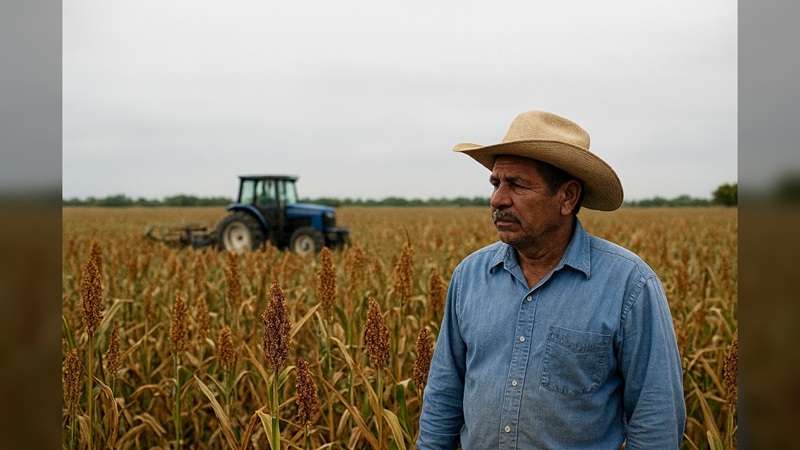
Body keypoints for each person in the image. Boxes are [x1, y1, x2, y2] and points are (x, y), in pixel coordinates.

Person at [417, 111, 686, 449]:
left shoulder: (629, 285)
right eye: (496, 183)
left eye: (517, 184)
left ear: (567, 197)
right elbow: (444, 393)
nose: (498, 199)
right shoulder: (470, 276)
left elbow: (656, 419)